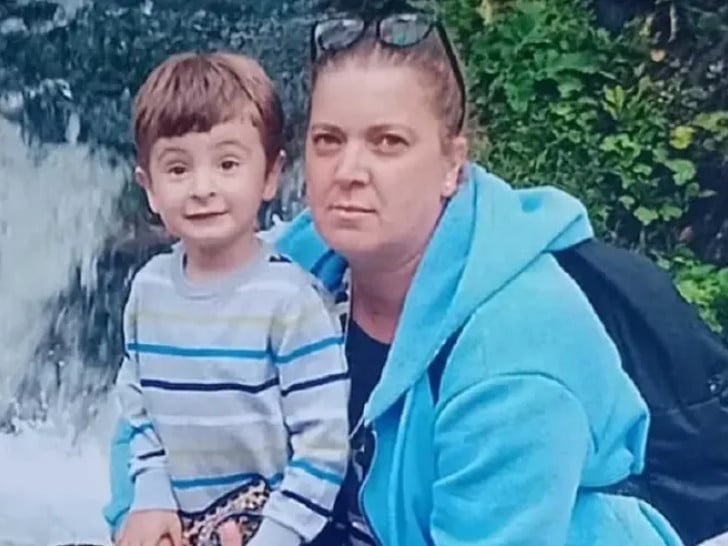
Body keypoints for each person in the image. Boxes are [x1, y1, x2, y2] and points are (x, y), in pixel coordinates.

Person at [104, 4, 687, 546]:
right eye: (329, 140)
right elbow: (154, 399)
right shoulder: (288, 262)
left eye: (387, 142)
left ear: (451, 164)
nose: (349, 170)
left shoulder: (512, 354)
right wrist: (153, 514)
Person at [109, 51, 350, 546]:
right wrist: (151, 497)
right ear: (148, 187)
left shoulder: (292, 301)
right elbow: (139, 411)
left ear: (270, 175)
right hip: (186, 528)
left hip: (283, 530)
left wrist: (276, 536)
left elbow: (324, 447)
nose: (203, 188)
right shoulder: (148, 291)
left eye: (227, 164)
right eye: (178, 169)